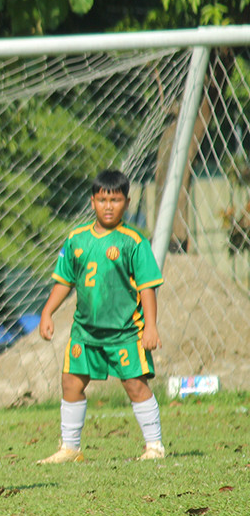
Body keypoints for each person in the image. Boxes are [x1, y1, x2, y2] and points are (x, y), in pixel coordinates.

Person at [37, 170, 166, 463]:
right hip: (85, 331)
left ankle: (154, 446)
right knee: (71, 381)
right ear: (92, 201)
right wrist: (47, 312)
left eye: (116, 200)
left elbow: (147, 288)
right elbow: (64, 281)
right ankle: (70, 448)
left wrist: (151, 327)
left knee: (135, 385)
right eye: (103, 199)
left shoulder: (134, 241)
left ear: (127, 202)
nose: (109, 206)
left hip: (125, 332)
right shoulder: (76, 239)